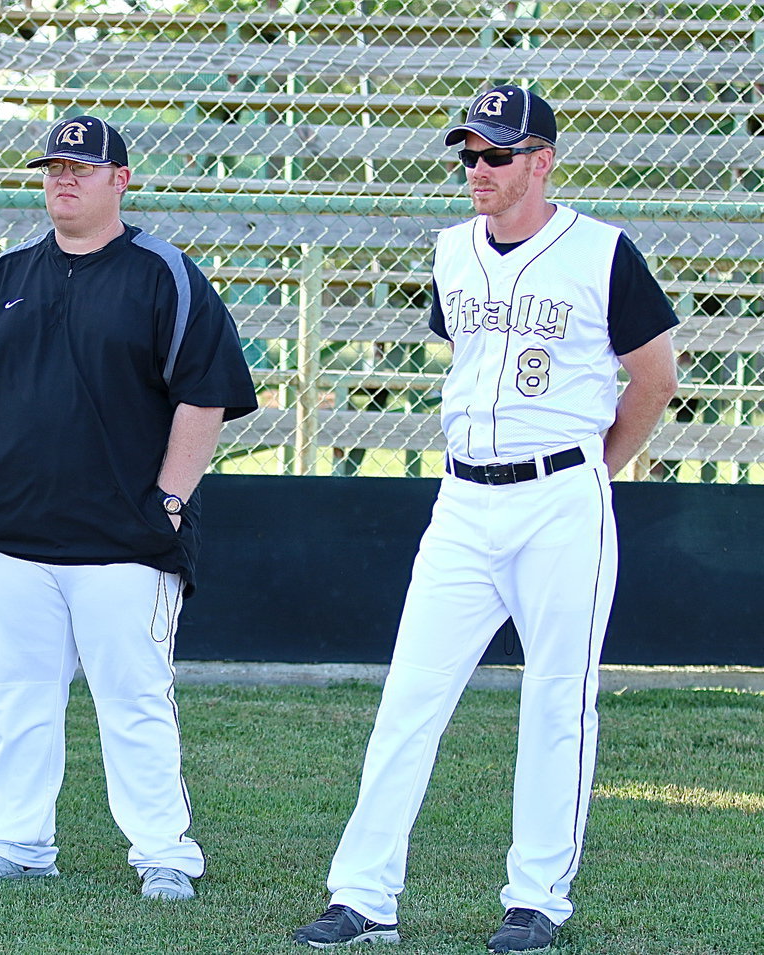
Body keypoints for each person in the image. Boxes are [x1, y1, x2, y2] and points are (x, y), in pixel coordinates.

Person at [291, 86, 678, 951]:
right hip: (462, 498)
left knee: (557, 700)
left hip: (561, 495)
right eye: (469, 153)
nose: (479, 169)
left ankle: (537, 898)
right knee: (410, 696)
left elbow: (654, 377)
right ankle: (362, 896)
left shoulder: (602, 253)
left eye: (497, 153)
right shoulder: (451, 250)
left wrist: (587, 475)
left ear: (542, 161)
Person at [0, 115, 257, 900]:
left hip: (124, 537)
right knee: (20, 695)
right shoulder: (2, 276)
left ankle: (165, 851)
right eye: (53, 167)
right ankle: (15, 841)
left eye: (82, 165)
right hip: (14, 533)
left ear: (121, 179)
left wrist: (169, 502)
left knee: (135, 697)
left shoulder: (164, 273)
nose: (63, 178)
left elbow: (205, 396)